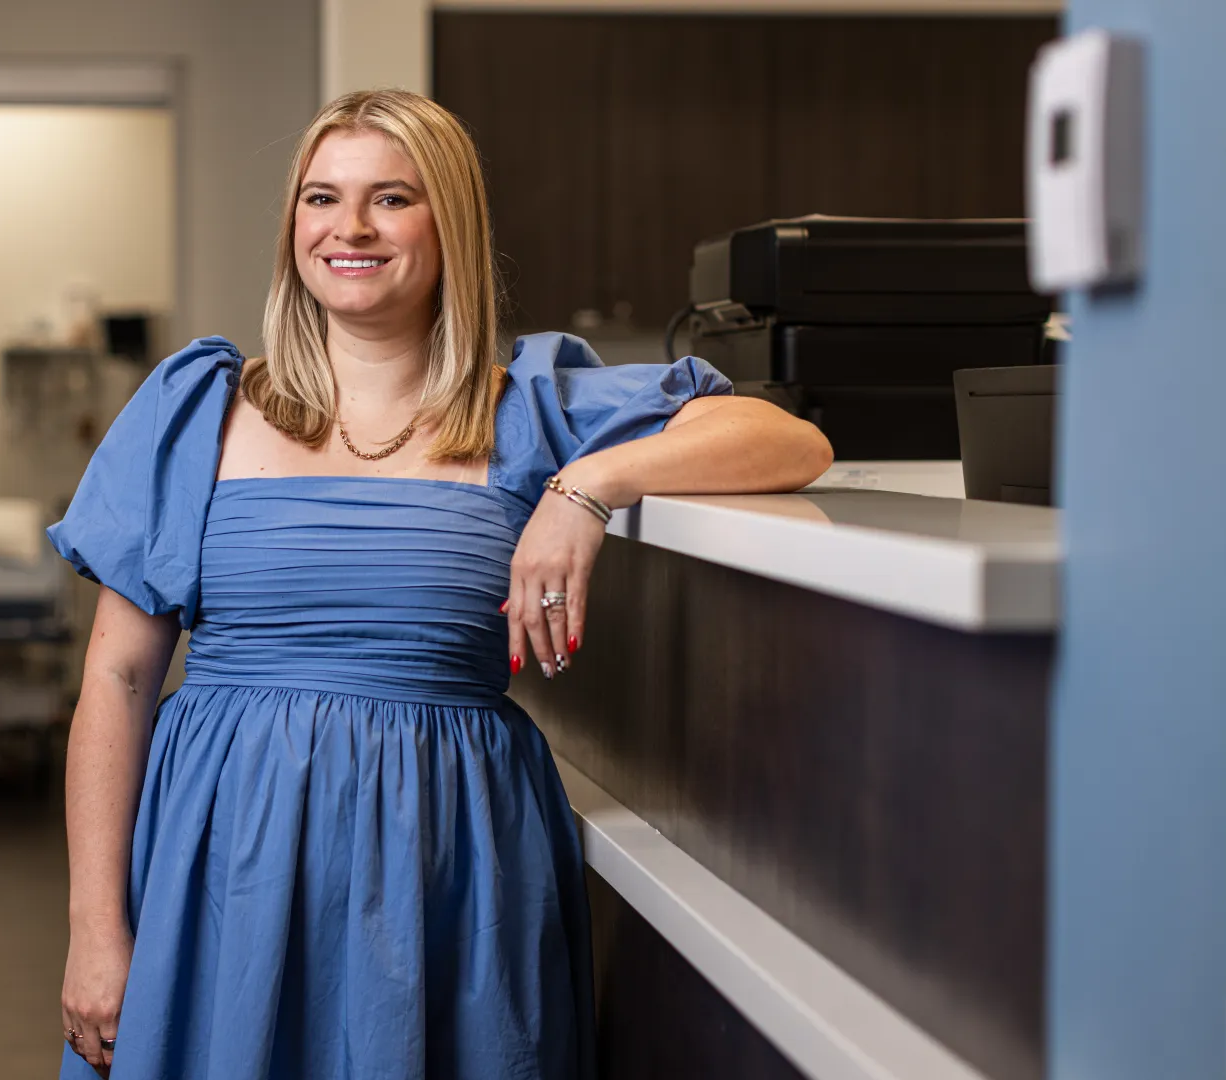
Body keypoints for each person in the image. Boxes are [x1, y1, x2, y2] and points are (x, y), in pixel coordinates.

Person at [50, 89, 832, 1080]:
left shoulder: (534, 403)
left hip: (447, 869)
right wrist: (93, 929)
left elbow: (789, 439)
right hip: (218, 870)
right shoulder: (197, 407)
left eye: (391, 199)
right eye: (322, 199)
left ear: (448, 222)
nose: (350, 229)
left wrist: (586, 486)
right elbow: (117, 682)